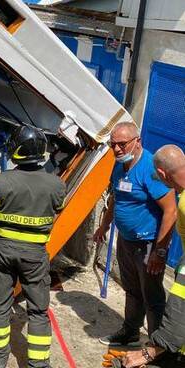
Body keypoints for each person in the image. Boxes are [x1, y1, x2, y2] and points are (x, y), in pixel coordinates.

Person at [0, 125, 67, 368]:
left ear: (17, 151)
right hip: (35, 256)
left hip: (2, 253)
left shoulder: (2, 181)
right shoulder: (56, 185)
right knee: (38, 312)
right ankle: (38, 364)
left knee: (0, 308)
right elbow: (56, 211)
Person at [94, 122, 177, 346]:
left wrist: (159, 252)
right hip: (126, 241)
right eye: (113, 145)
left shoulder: (150, 168)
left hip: (148, 244)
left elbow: (171, 210)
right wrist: (104, 226)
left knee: (152, 296)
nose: (117, 150)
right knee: (131, 290)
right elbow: (115, 198)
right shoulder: (119, 165)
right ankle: (130, 332)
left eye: (122, 144)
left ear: (137, 142)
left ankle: (158, 346)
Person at [119, 144, 185, 367]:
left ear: (164, 175)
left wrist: (150, 352)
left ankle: (166, 354)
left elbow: (180, 307)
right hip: (129, 241)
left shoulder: (184, 204)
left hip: (149, 246)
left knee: (157, 299)